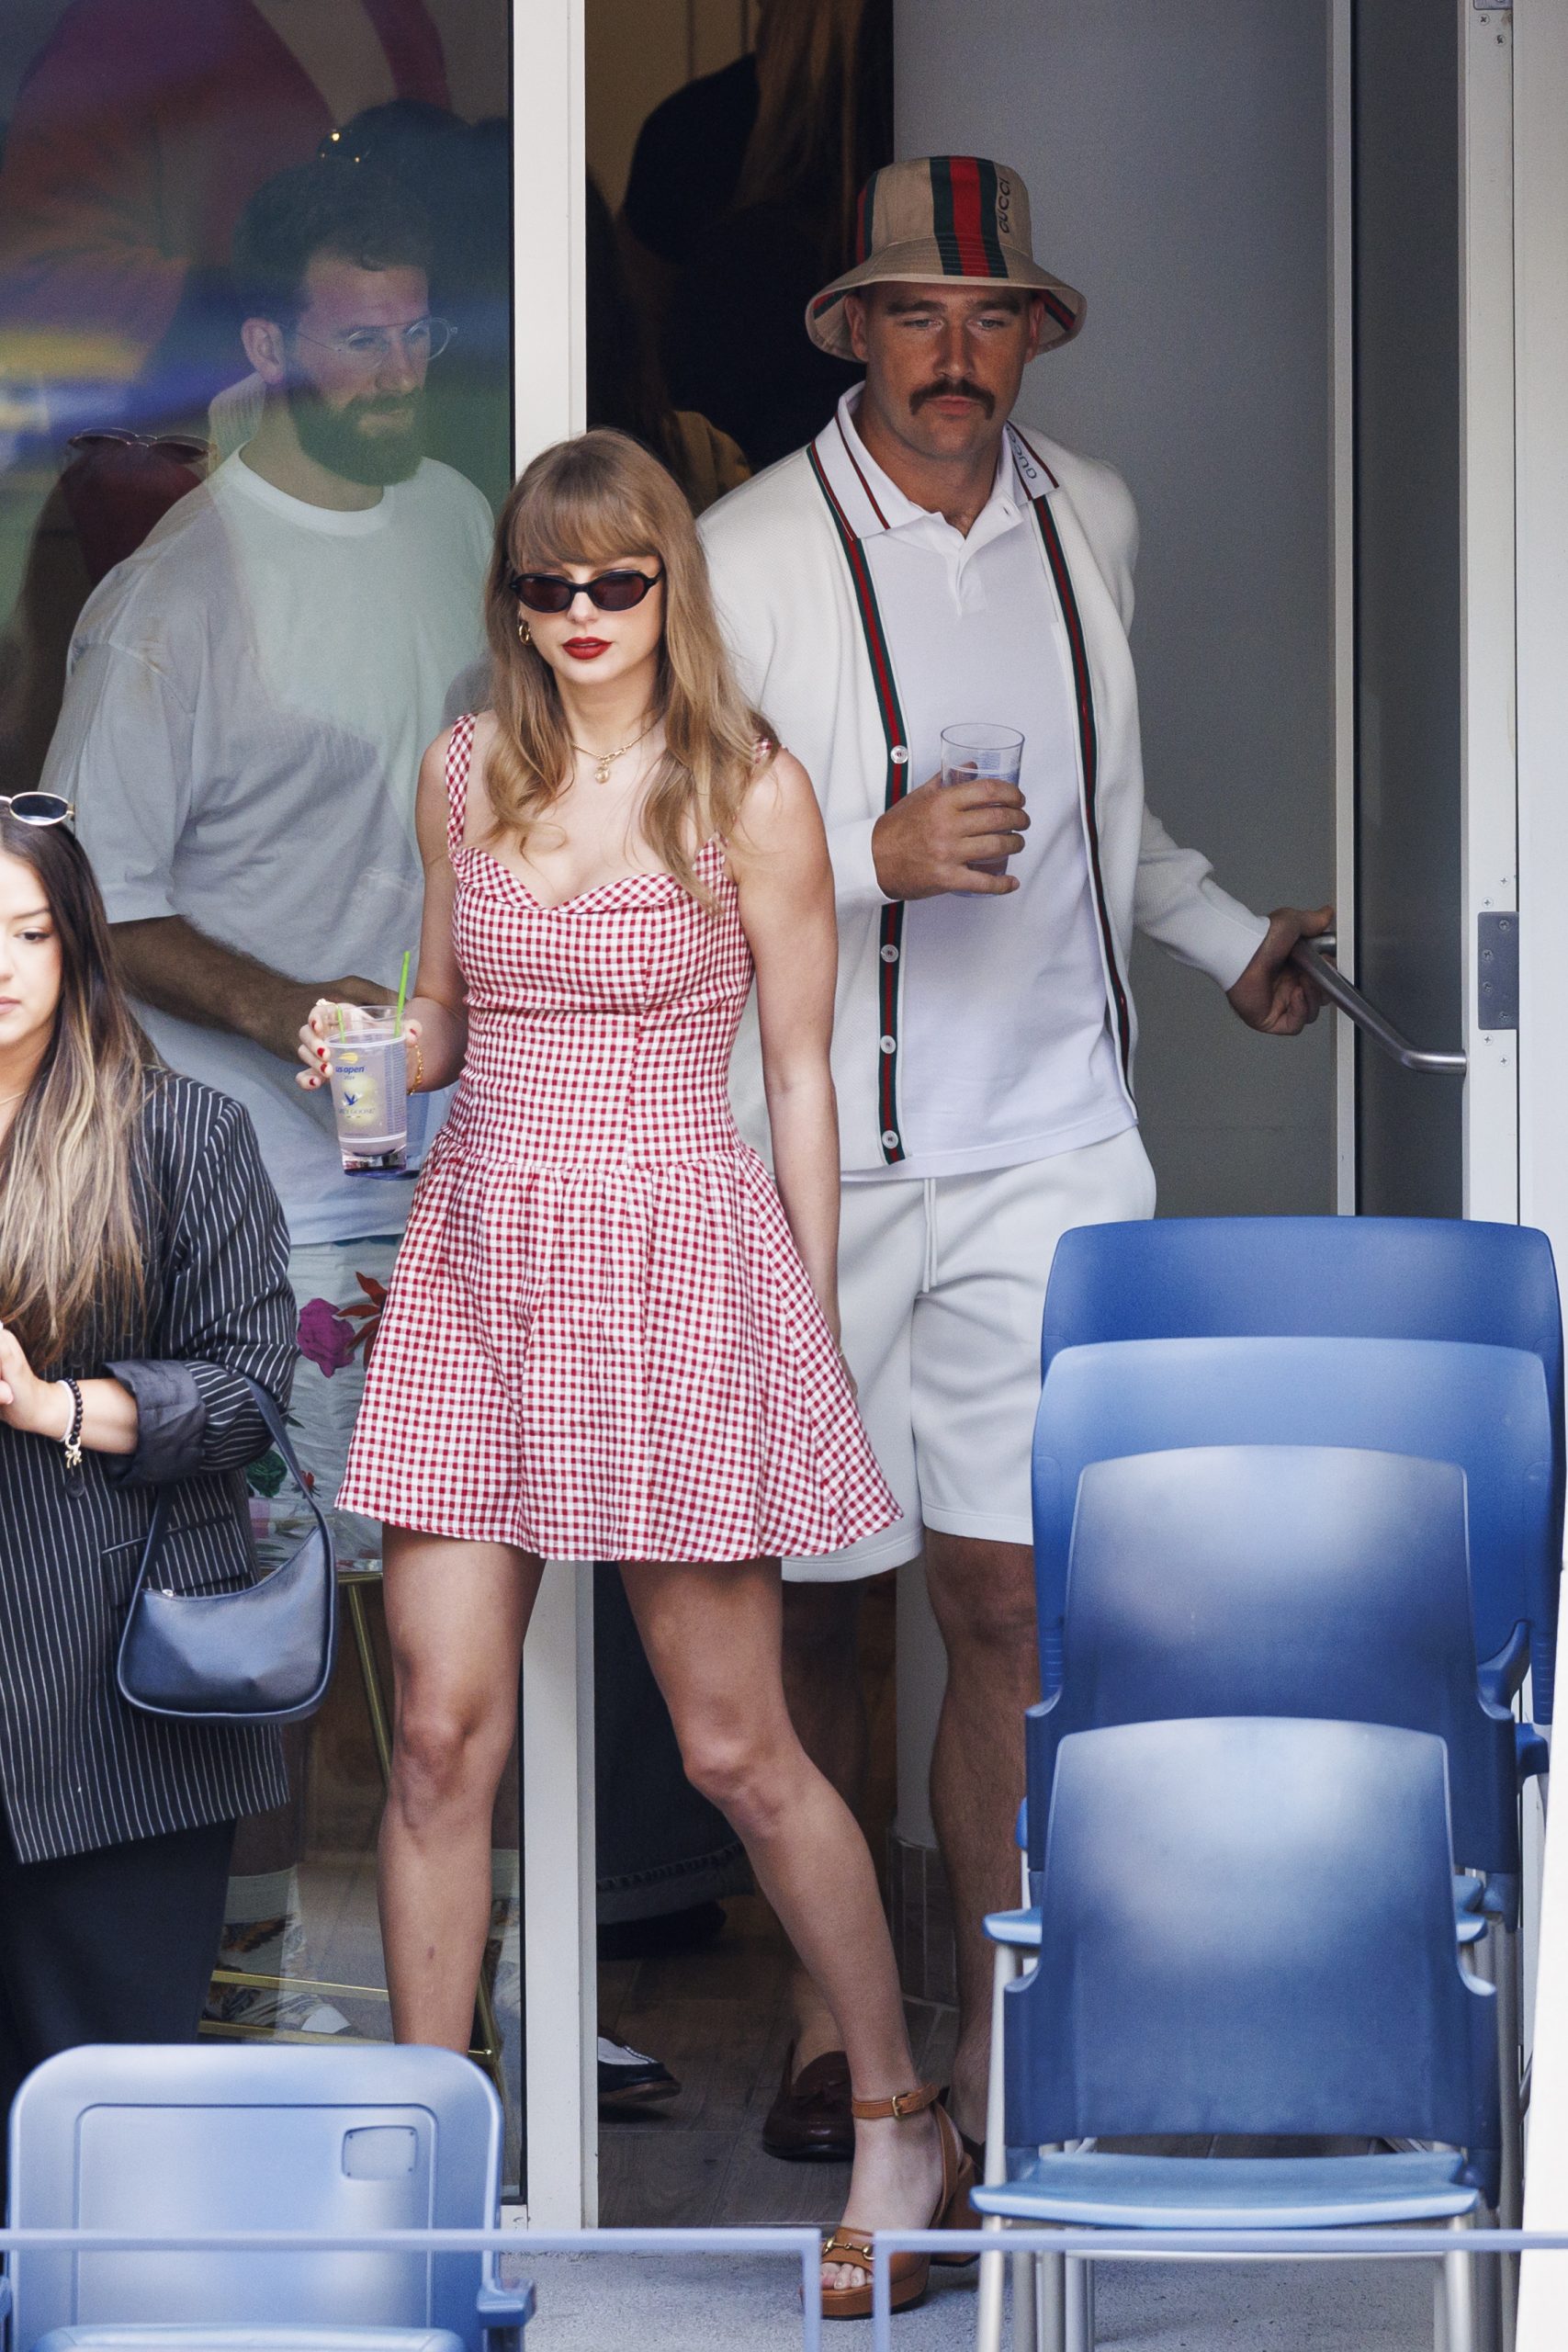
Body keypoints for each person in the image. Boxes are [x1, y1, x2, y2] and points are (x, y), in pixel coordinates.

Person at [698, 154, 1332, 2171]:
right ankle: (831, 2011)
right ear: (853, 332)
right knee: (797, 1600)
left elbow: (1101, 812)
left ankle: (992, 2031)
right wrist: (860, 864)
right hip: (807, 1154)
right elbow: (639, 865)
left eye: (987, 320)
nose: (951, 357)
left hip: (1047, 1142)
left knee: (1008, 1603)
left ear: (1031, 336)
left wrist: (1227, 931)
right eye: (913, 317)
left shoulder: (1093, 518)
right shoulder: (738, 549)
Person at [304, 428, 966, 2318]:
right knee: (434, 1736)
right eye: (545, 584)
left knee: (735, 1746)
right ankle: (440, 2179)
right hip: (486, 1250)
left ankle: (902, 2113)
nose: (581, 614)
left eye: (616, 580)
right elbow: (441, 1008)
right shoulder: (464, 768)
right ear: (507, 602)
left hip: (678, 1261)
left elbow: (804, 1069)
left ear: (668, 583)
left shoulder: (746, 786)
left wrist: (808, 1328)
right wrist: (378, 1042)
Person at [44, 155, 491, 2026]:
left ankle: (453, 1985)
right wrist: (292, 995)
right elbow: (95, 894)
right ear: (267, 348)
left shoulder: (465, 511)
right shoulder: (176, 594)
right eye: (353, 339)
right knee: (282, 1577)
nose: (392, 371)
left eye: (411, 334)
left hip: (462, 1132)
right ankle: (252, 1974)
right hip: (270, 1178)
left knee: (457, 1579)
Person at [0, 798, 294, 2204]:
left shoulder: (182, 1134)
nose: (4, 963)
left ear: (79, 947)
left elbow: (248, 1398)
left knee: (108, 2138)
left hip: (113, 1709)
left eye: (30, 931)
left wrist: (50, 1403)